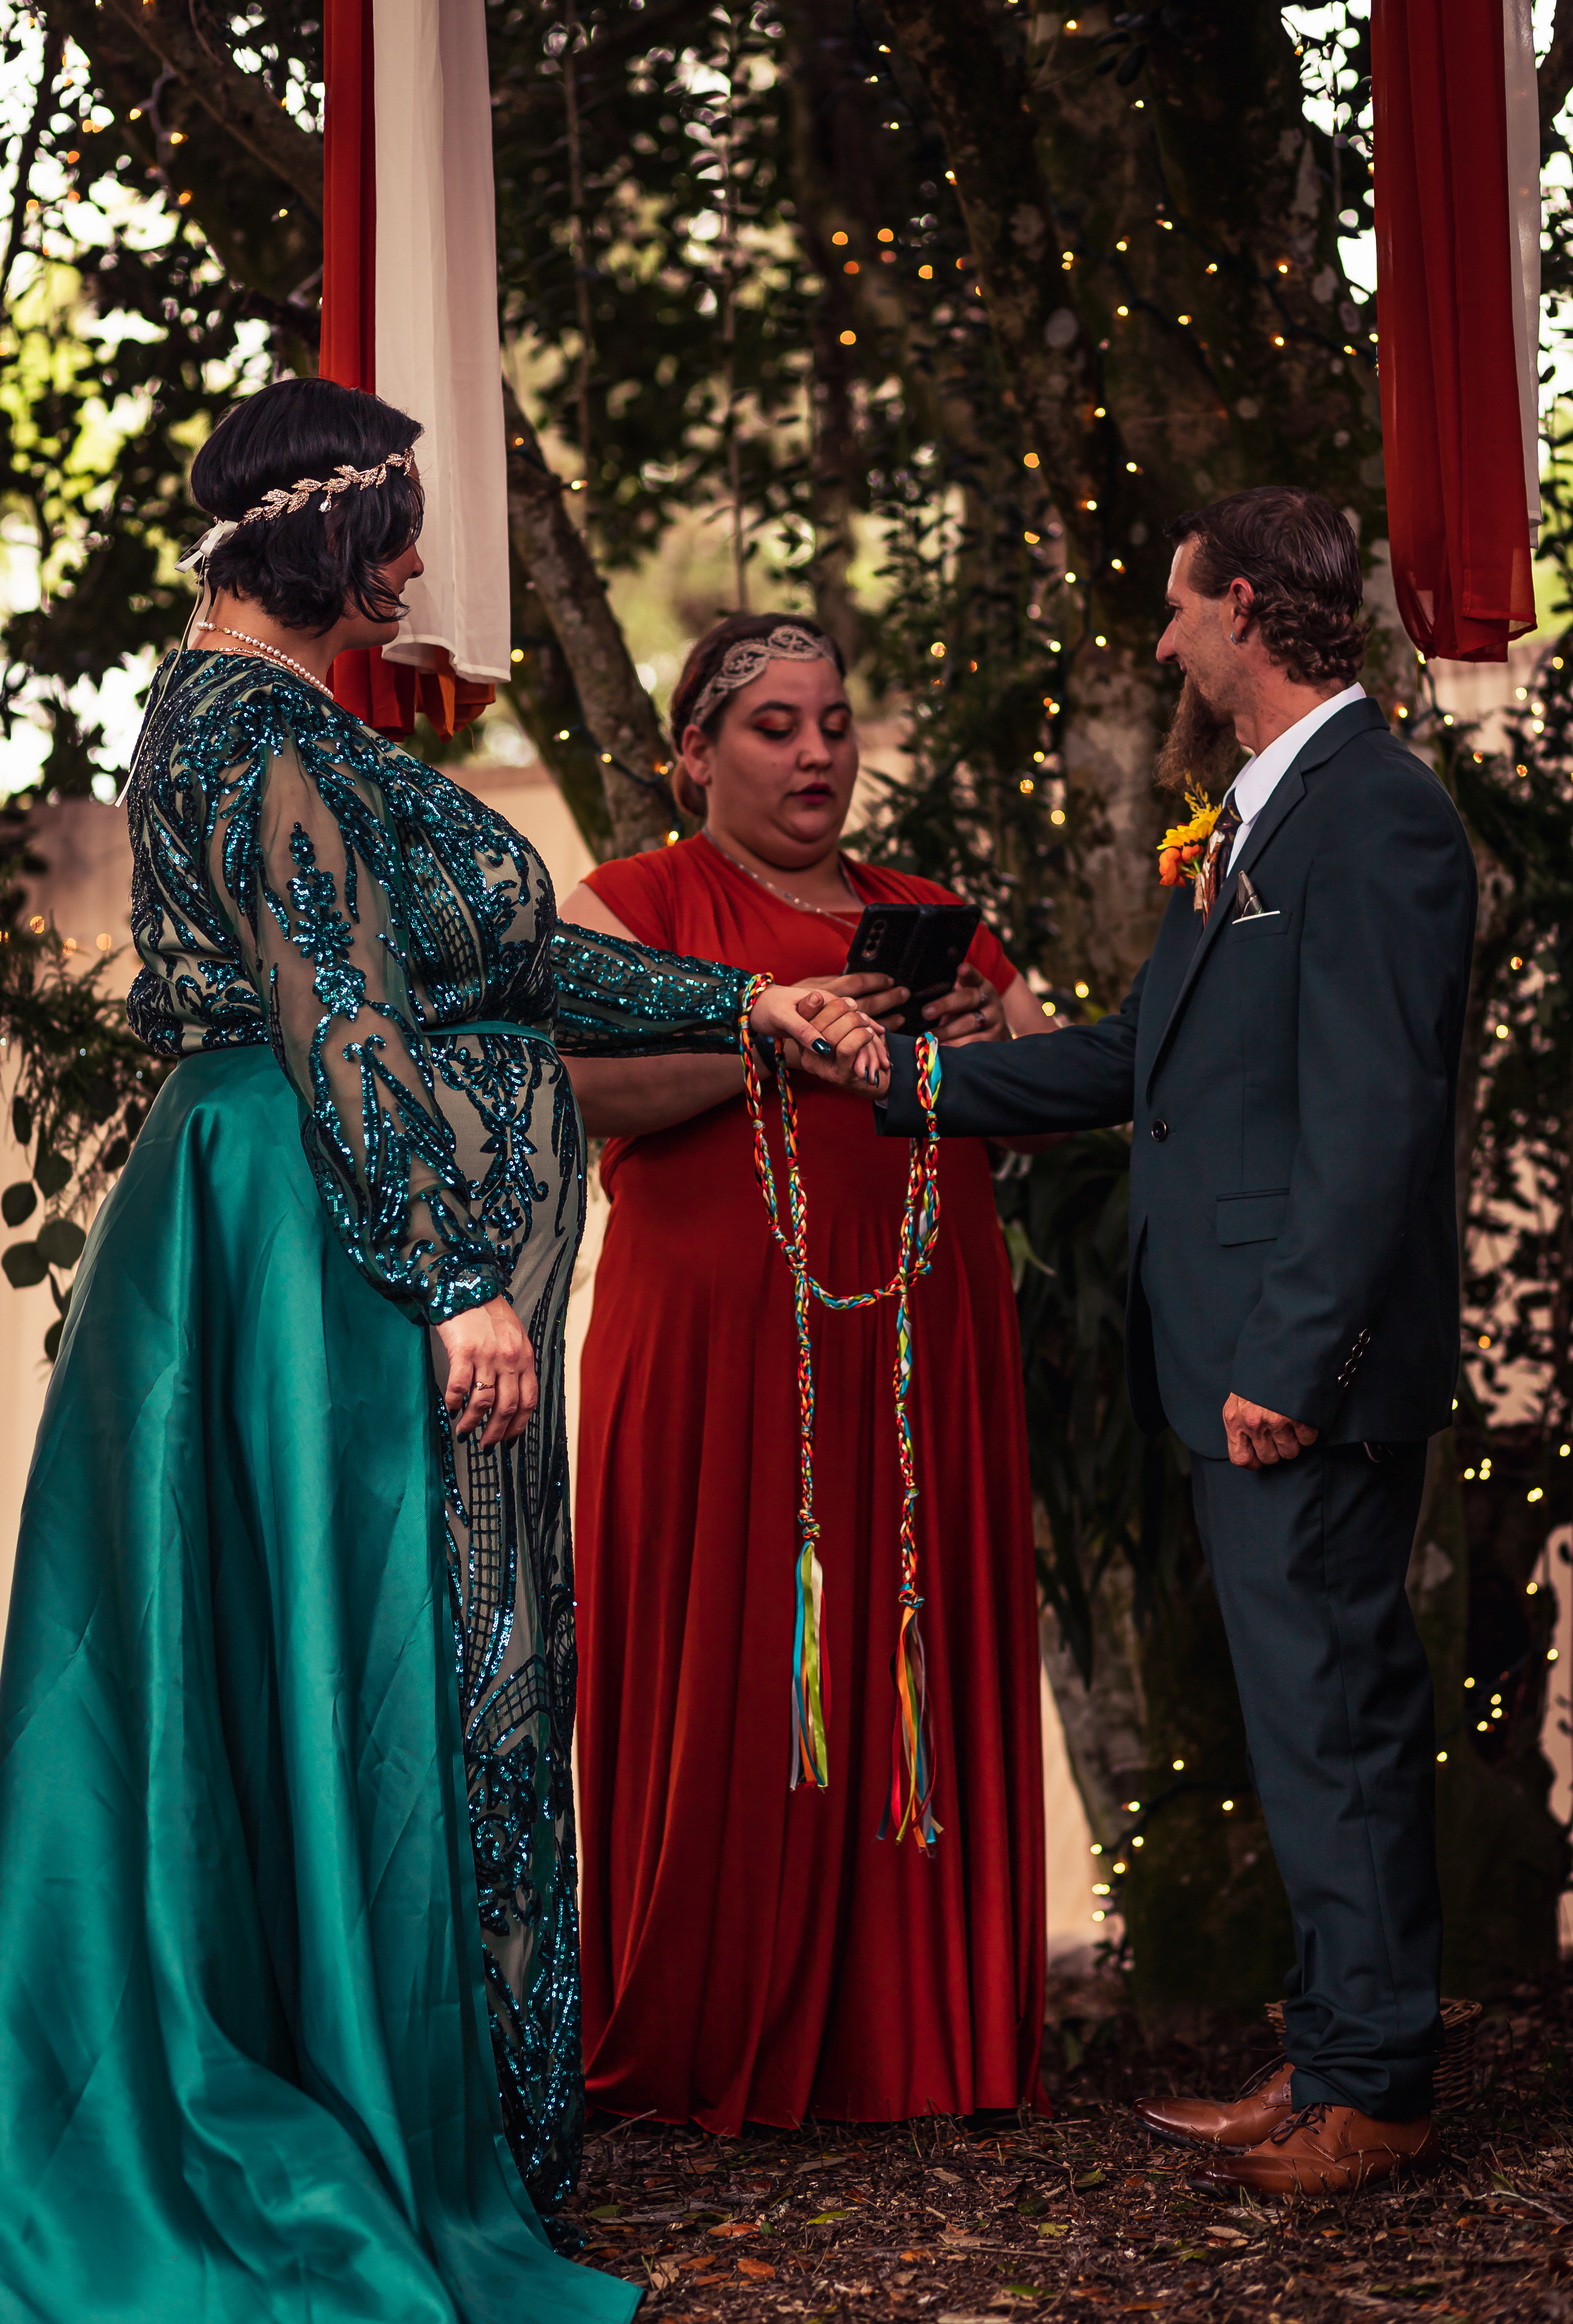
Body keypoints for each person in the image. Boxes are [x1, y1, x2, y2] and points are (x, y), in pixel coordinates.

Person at [0, 382, 882, 2321]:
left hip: (315, 1223)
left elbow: (518, 963)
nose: (408, 570)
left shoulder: (291, 721)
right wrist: (453, 1270)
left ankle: (441, 2109)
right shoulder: (248, 730)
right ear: (317, 541)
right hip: (316, 1246)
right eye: (391, 533)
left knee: (397, 1662)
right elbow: (340, 1011)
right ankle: (371, 2128)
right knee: (399, 1657)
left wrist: (754, 1005)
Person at [867, 489, 1476, 2198]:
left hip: (1302, 1367)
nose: (1161, 639)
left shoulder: (1376, 820)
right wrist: (919, 1090)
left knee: (1339, 1712)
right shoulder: (1262, 821)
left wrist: (1290, 1358)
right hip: (1246, 1349)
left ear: (1247, 613)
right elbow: (1148, 1051)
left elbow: (1374, 1117)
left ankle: (1378, 2095)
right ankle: (1334, 2050)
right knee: (1302, 1716)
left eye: (1176, 607)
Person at [560, 612, 1053, 2132]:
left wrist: (975, 1039)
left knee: (907, 1660)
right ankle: (706, 2042)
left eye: (835, 722)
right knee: (730, 1672)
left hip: (915, 1358)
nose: (819, 753)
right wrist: (770, 1043)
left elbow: (1033, 1098)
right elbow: (573, 1089)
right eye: (776, 728)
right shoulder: (635, 899)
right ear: (696, 753)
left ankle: (922, 2045)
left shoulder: (927, 913)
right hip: (715, 1365)